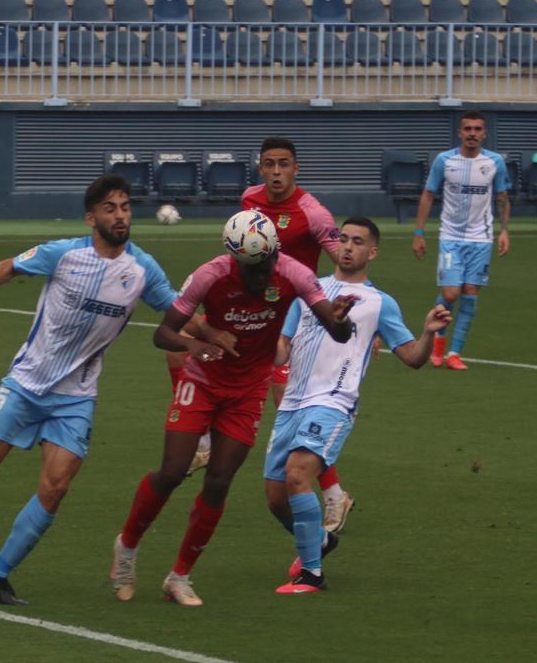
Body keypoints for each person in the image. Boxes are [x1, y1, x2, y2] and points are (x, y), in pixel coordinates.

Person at [0, 175, 177, 606]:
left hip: (76, 397)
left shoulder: (142, 270)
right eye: (110, 208)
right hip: (26, 384)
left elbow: (177, 309)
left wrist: (218, 332)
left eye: (125, 207)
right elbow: (12, 263)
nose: (120, 215)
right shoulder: (63, 253)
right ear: (91, 217)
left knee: (56, 487)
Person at [110, 211, 356, 607]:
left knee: (220, 480)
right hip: (203, 381)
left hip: (248, 390)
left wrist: (342, 321)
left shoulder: (293, 273)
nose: (262, 276)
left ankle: (180, 576)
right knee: (173, 471)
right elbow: (164, 333)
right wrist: (197, 344)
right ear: (235, 259)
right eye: (252, 268)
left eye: (267, 264)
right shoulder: (210, 275)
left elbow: (337, 329)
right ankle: (127, 547)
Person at [266, 217, 452, 594]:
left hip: (334, 402)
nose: (348, 247)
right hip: (292, 404)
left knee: (298, 473)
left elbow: (412, 358)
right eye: (343, 239)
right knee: (275, 498)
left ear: (372, 252)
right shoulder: (309, 288)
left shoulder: (379, 303)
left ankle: (312, 575)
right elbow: (282, 346)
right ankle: (320, 540)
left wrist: (428, 334)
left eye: (357, 242)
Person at [240, 135, 356, 534]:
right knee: (281, 401)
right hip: (262, 314)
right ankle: (332, 493)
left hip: (301, 319)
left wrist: (354, 320)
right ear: (260, 167)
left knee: (292, 403)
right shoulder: (248, 200)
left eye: (284, 164)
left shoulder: (313, 213)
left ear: (296, 168)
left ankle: (333, 493)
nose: (276, 172)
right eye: (269, 164)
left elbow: (343, 261)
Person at [413, 110, 511, 371]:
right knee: (451, 293)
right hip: (451, 237)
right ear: (459, 132)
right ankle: (438, 340)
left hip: (481, 239)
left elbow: (502, 197)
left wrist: (504, 231)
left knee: (470, 293)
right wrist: (419, 233)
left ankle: (454, 353)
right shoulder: (444, 161)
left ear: (484, 133)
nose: (472, 134)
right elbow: (428, 195)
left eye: (477, 129)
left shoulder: (494, 162)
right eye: (467, 129)